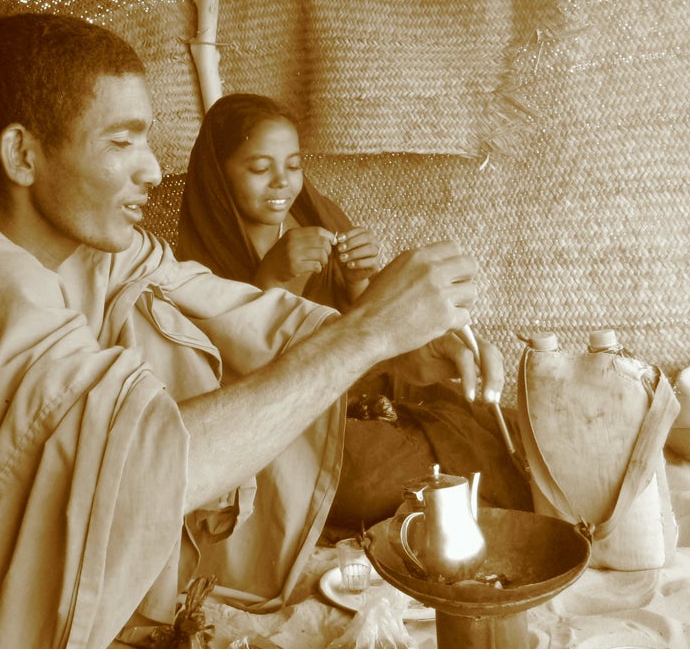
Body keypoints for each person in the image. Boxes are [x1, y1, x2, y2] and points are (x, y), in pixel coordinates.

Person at [0, 15, 495, 649]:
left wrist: (403, 336)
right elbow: (145, 465)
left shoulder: (99, 255)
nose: (154, 170)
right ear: (23, 154)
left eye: (147, 141)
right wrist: (364, 336)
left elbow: (237, 309)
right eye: (122, 142)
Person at [177, 93, 532, 525]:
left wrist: (359, 283)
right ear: (218, 175)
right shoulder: (198, 260)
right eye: (258, 168)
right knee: (365, 477)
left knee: (497, 427)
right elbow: (229, 378)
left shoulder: (316, 216)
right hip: (298, 417)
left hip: (372, 386)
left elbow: (370, 329)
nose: (281, 183)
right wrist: (269, 280)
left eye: (293, 166)